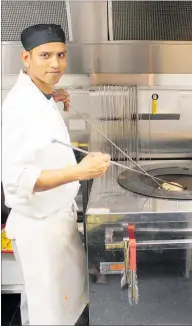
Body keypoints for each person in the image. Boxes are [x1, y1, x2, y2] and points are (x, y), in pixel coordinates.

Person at [2, 24, 111, 325]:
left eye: (61, 55)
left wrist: (53, 99)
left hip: (56, 223)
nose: (55, 64)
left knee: (54, 308)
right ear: (26, 58)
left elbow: (39, 145)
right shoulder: (20, 107)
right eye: (45, 55)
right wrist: (80, 170)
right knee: (49, 316)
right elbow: (17, 179)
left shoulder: (38, 95)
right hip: (40, 231)